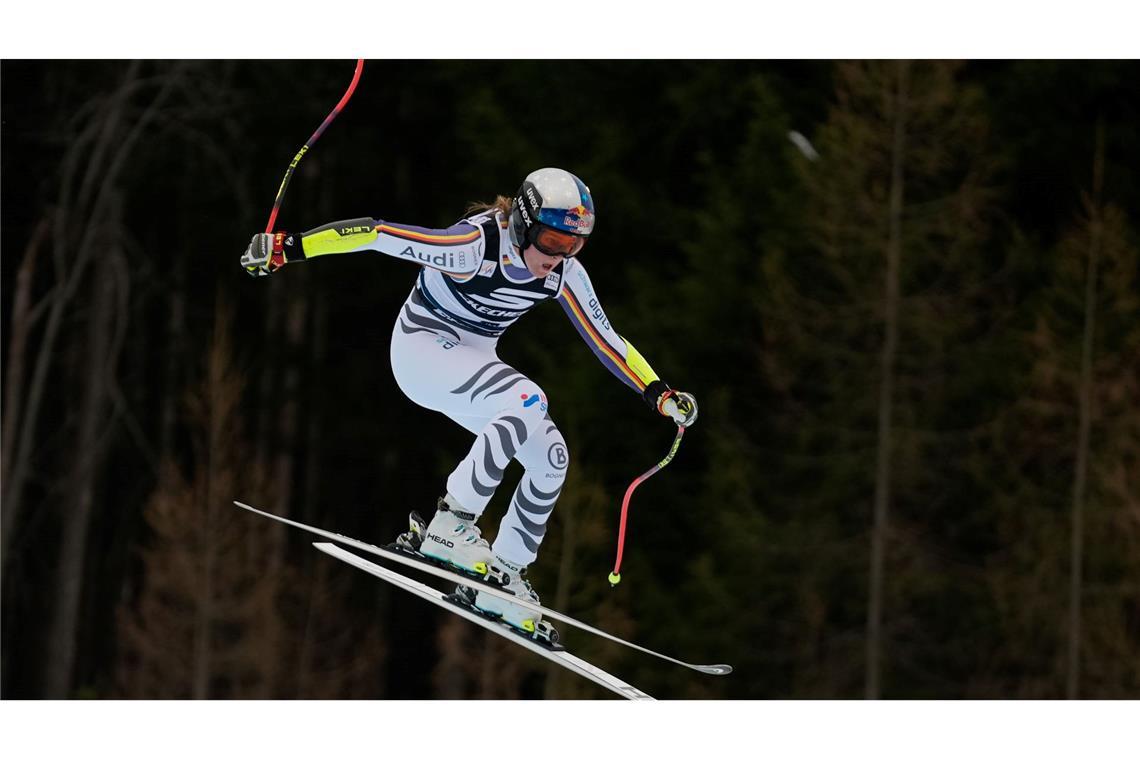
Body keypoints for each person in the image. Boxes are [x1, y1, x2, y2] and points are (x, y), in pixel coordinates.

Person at [240, 167, 697, 641]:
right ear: (522, 223)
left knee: (551, 456)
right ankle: (450, 523)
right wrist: (286, 248)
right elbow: (376, 233)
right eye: (552, 241)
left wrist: (659, 393)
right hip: (420, 349)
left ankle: (504, 576)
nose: (560, 256)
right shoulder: (473, 247)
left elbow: (608, 342)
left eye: (574, 245)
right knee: (528, 399)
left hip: (471, 362)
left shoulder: (563, 275)